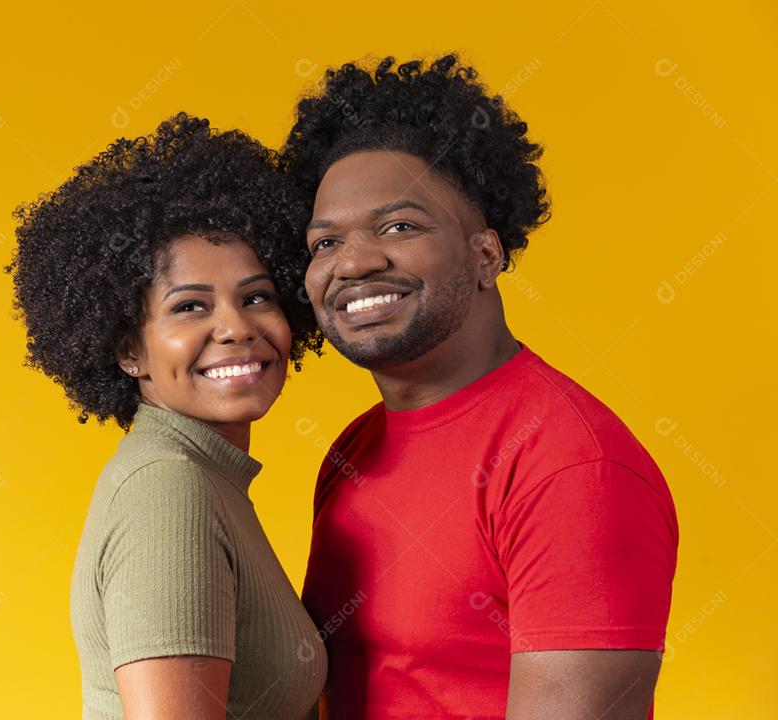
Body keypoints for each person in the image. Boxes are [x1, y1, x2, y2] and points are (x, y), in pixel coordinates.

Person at [280, 55, 678, 720]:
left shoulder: (571, 465)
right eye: (325, 243)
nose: (354, 262)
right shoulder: (354, 450)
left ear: (486, 254)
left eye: (399, 227)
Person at [5, 113, 327, 720]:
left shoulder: (206, 476)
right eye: (190, 307)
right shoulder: (168, 488)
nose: (236, 327)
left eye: (256, 296)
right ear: (129, 349)